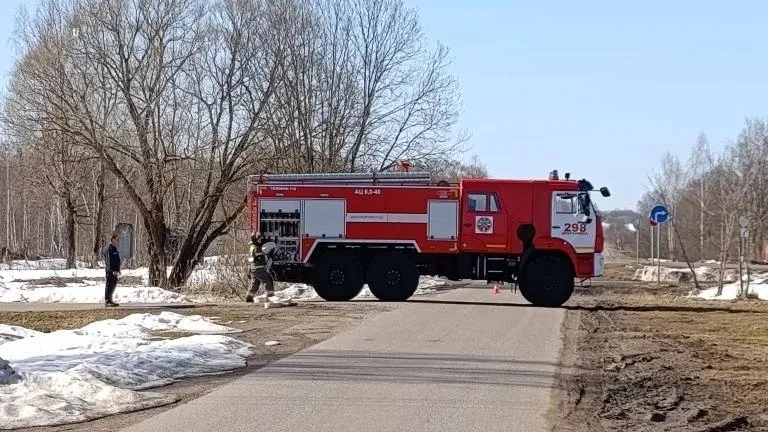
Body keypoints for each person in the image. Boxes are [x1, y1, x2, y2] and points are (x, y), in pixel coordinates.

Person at [246, 231, 275, 303]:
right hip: (258, 268)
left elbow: (250, 259)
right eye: (259, 239)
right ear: (255, 239)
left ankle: (249, 297)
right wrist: (269, 255)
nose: (260, 240)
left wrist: (249, 270)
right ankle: (270, 296)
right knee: (267, 279)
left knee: (255, 284)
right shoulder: (256, 248)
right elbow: (261, 258)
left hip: (253, 268)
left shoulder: (252, 247)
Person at [102, 233, 121, 307]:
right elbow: (109, 260)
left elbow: (116, 260)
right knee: (109, 284)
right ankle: (107, 301)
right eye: (117, 239)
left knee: (113, 284)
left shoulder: (114, 248)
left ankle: (110, 300)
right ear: (113, 239)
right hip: (111, 270)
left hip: (114, 270)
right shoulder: (109, 248)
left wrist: (118, 269)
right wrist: (113, 270)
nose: (118, 241)